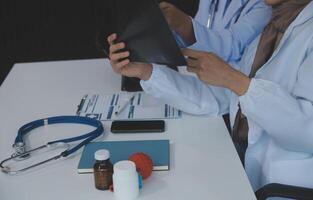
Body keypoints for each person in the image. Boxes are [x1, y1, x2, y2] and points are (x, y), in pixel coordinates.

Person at [108, 0, 313, 192]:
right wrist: (146, 72)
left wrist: (235, 80)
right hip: (242, 165)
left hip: (281, 186)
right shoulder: (275, 26)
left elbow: (308, 130)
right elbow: (222, 97)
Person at [159, 0, 271, 62]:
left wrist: (185, 25)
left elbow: (233, 47)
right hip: (197, 80)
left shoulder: (264, 7)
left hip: (226, 93)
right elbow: (198, 31)